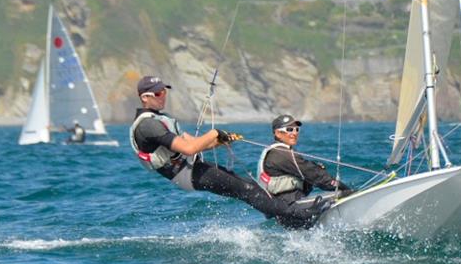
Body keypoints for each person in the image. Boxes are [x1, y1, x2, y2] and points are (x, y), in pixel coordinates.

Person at [129, 76, 329, 229]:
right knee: (247, 190)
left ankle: (289, 220)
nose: (163, 96)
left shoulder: (158, 120)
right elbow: (189, 149)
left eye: (164, 92)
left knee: (249, 187)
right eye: (158, 94)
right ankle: (298, 215)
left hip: (190, 169)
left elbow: (194, 143)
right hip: (186, 174)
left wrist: (219, 141)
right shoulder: (148, 126)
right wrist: (215, 132)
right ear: (145, 98)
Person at [258, 114, 352, 204]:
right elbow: (313, 174)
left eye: (296, 129)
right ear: (278, 133)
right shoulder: (281, 153)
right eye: (289, 129)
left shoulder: (276, 151)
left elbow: (306, 172)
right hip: (289, 205)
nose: (294, 133)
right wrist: (344, 188)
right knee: (343, 193)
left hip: (284, 204)